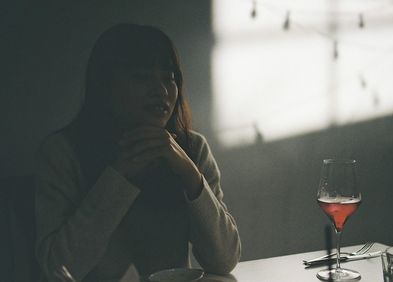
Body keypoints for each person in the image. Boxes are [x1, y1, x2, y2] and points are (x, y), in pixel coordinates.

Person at [34, 23, 241, 282]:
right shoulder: (63, 152)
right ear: (106, 84)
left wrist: (191, 175)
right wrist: (120, 175)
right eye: (142, 76)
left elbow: (225, 260)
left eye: (170, 77)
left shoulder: (192, 148)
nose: (162, 90)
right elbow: (60, 269)